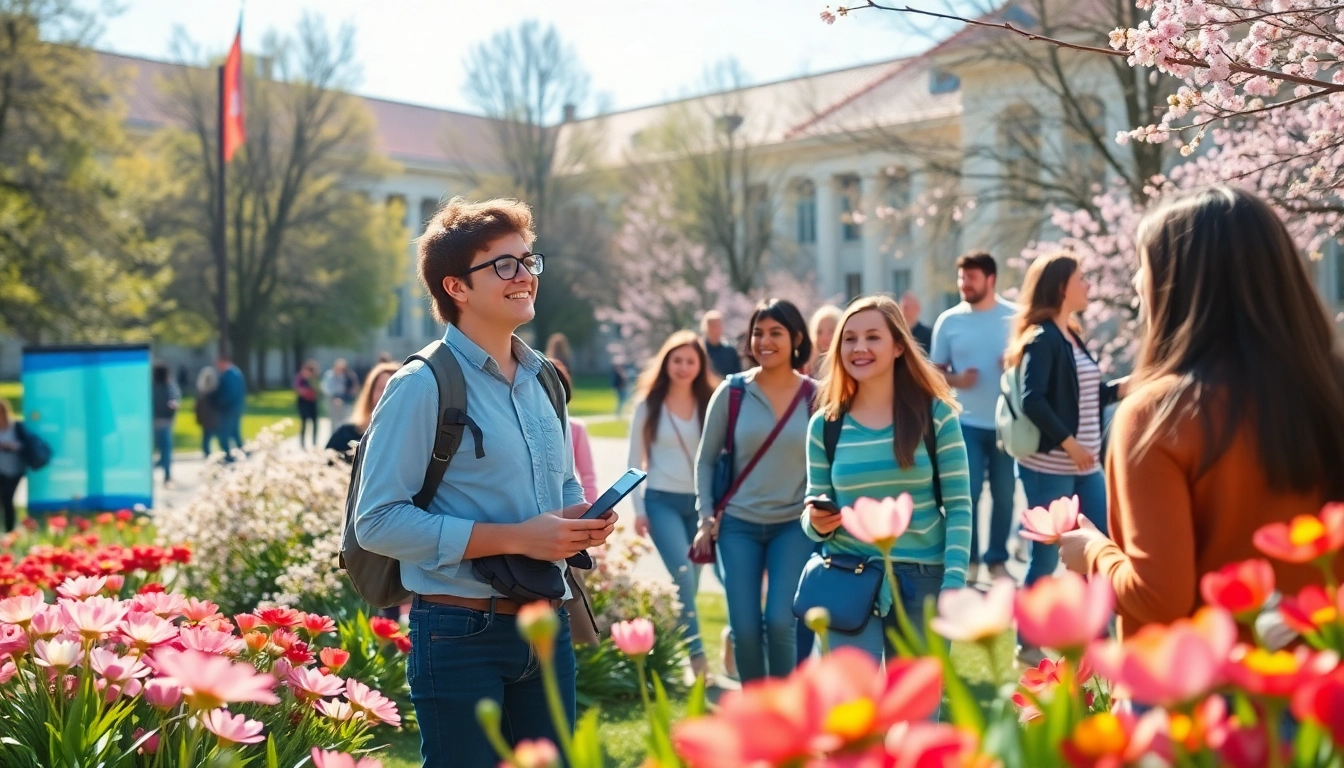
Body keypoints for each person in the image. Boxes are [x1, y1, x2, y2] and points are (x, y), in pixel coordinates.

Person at [353, 196, 615, 767]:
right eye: (504, 264)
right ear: (457, 288)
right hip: (458, 632)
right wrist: (519, 537)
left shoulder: (543, 377)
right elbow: (375, 522)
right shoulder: (421, 385)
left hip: (546, 626)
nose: (525, 275)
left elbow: (562, 487)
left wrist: (579, 522)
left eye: (528, 260)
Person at [1059, 186, 1344, 643]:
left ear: (1179, 285)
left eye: (1144, 267)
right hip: (1322, 683)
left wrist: (1093, 553)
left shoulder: (1158, 416)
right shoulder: (1328, 391)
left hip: (1205, 693)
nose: (1135, 284)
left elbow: (1158, 597)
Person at [805, 295, 973, 660]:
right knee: (853, 712)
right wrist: (816, 522)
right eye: (849, 338)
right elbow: (812, 513)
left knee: (917, 713)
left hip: (924, 580)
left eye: (872, 337)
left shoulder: (936, 415)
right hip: (847, 577)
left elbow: (960, 507)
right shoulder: (825, 425)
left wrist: (954, 583)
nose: (859, 347)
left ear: (898, 346)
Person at [693, 298, 815, 682]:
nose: (764, 341)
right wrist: (706, 515)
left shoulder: (817, 396)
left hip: (793, 526)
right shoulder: (732, 393)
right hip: (738, 527)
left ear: (796, 338)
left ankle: (786, 718)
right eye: (758, 333)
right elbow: (706, 459)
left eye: (775, 333)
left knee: (781, 622)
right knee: (744, 630)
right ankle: (758, 718)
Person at [628, 330, 719, 680]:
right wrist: (637, 509)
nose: (683, 367)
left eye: (690, 361)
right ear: (666, 363)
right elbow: (633, 462)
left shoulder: (711, 402)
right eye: (676, 360)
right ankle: (697, 659)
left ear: (700, 366)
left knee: (691, 584)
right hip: (661, 501)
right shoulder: (648, 405)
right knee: (683, 574)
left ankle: (665, 642)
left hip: (701, 506)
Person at [930, 251, 1018, 583]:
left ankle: (997, 560)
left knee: (1005, 493)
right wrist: (956, 380)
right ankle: (970, 562)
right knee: (967, 494)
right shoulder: (949, 321)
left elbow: (1035, 367)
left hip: (1007, 425)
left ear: (991, 280)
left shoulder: (1017, 317)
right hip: (963, 423)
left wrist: (1015, 361)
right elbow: (934, 374)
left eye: (971, 278)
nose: (964, 284)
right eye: (961, 278)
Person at [326, 361, 401, 463]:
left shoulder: (409, 443)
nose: (387, 395)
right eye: (382, 388)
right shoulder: (345, 434)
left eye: (394, 390)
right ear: (370, 393)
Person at [151, 362, 181, 485]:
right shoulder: (169, 386)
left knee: (154, 450)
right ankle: (167, 475)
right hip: (165, 422)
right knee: (166, 451)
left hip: (152, 423)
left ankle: (154, 470)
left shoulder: (151, 387)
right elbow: (174, 401)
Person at [0, 400, 27, 532]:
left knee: (7, 498)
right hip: (1, 469)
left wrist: (12, 445)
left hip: (15, 469)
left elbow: (26, 444)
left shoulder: (16, 426)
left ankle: (10, 529)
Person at [214, 354, 246, 457]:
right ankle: (241, 450)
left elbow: (229, 393)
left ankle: (228, 454)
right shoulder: (236, 373)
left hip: (229, 409)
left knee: (225, 433)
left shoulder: (229, 375)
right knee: (234, 431)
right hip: (236, 407)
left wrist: (219, 402)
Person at [701, 309, 743, 378]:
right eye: (712, 326)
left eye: (718, 326)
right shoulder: (700, 350)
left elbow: (737, 375)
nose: (715, 330)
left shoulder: (730, 351)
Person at [322, 359, 359, 431]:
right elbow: (326, 388)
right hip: (332, 399)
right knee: (334, 419)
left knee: (344, 419)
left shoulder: (345, 375)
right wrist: (335, 398)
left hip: (343, 399)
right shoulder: (330, 375)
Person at [807, 304, 842, 376]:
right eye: (819, 332)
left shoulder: (846, 364)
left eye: (831, 331)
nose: (824, 337)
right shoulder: (808, 365)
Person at [195, 366, 221, 456]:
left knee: (207, 437)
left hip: (206, 418)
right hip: (212, 418)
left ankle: (208, 452)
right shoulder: (214, 393)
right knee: (213, 436)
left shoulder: (202, 393)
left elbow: (198, 407)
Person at [295, 360, 320, 449]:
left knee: (315, 422)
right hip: (303, 402)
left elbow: (318, 389)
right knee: (304, 422)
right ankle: (302, 443)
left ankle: (314, 443)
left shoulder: (314, 379)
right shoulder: (301, 378)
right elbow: (299, 390)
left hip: (312, 402)